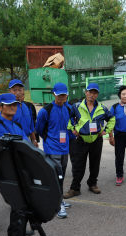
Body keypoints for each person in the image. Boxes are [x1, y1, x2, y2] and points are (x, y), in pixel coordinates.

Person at [0, 93, 30, 236]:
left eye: (14, 104)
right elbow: (10, 149)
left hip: (21, 169)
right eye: (8, 105)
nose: (12, 107)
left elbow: (26, 145)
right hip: (8, 172)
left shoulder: (18, 126)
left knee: (18, 204)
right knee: (19, 205)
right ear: (0, 107)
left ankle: (13, 230)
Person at [64, 83, 115, 198]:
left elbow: (111, 118)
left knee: (95, 164)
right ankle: (75, 188)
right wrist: (73, 128)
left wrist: (106, 130)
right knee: (78, 165)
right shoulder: (77, 106)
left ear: (97, 95)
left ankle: (92, 184)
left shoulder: (102, 108)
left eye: (94, 93)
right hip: (81, 140)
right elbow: (70, 118)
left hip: (96, 140)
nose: (92, 95)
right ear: (86, 92)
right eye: (90, 92)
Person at [36, 83, 72, 219]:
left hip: (65, 147)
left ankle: (59, 199)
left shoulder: (68, 108)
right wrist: (49, 140)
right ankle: (57, 205)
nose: (62, 97)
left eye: (64, 95)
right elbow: (39, 128)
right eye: (59, 95)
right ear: (54, 95)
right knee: (57, 176)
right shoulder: (46, 110)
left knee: (61, 174)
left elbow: (69, 126)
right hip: (52, 148)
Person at [8, 79, 38, 147]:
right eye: (14, 90)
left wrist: (34, 140)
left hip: (27, 141)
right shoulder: (8, 108)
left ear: (23, 91)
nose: (18, 92)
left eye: (20, 89)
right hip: (15, 142)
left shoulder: (27, 106)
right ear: (10, 91)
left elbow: (31, 126)